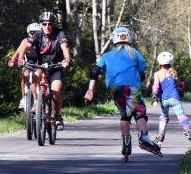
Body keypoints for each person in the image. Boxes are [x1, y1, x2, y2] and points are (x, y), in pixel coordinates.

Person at [84, 27, 162, 157]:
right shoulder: (135, 53)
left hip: (114, 87)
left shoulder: (107, 55)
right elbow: (142, 72)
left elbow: (94, 71)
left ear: (114, 39)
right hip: (131, 86)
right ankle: (143, 137)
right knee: (139, 111)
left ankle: (126, 140)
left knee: (125, 113)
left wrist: (90, 89)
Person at [16, 12, 71, 130]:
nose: (47, 26)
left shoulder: (59, 33)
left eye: (50, 24)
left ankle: (57, 116)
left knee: (55, 92)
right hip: (41, 66)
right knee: (34, 75)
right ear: (41, 24)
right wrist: (20, 58)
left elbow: (64, 46)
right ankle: (37, 102)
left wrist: (66, 58)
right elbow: (26, 46)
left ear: (53, 24)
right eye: (44, 24)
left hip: (56, 67)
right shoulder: (37, 35)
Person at [151, 51, 191, 147]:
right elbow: (180, 85)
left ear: (159, 63)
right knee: (181, 116)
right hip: (175, 99)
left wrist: (154, 98)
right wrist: (181, 93)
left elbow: (156, 86)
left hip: (164, 100)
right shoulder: (173, 72)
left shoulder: (157, 74)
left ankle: (160, 136)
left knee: (163, 118)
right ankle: (187, 130)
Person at [8, 22, 41, 110]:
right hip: (28, 63)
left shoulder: (43, 41)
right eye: (32, 33)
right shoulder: (26, 41)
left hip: (39, 63)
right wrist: (13, 60)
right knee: (25, 74)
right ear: (28, 33)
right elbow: (18, 51)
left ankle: (39, 99)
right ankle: (23, 98)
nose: (34, 35)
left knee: (38, 76)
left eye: (36, 32)